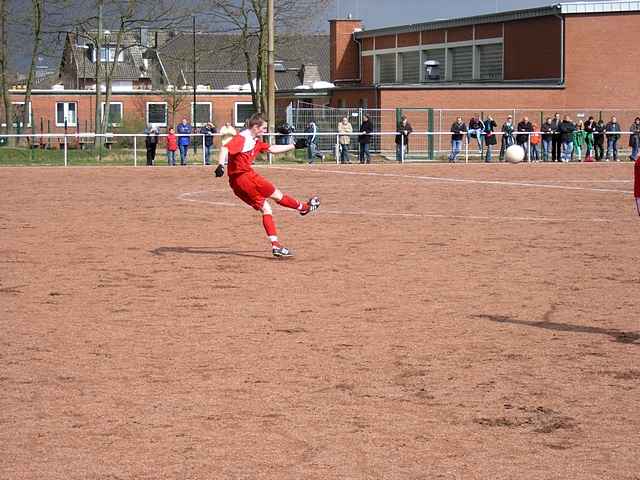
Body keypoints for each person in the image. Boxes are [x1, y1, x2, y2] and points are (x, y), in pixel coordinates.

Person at [213, 113, 320, 258]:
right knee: (277, 195)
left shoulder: (254, 140)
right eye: (263, 128)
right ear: (255, 127)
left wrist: (294, 145)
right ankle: (304, 208)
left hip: (236, 184)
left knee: (266, 208)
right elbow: (225, 148)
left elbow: (272, 149)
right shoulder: (243, 137)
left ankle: (276, 246)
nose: (265, 130)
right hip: (246, 177)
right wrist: (220, 165)